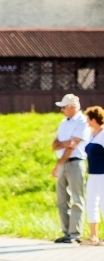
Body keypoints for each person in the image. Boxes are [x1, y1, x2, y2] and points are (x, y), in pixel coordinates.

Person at [52, 94, 90, 243]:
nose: (62, 110)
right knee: (62, 199)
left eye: (64, 107)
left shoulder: (82, 122)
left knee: (76, 199)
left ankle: (75, 234)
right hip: (62, 162)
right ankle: (66, 232)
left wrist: (59, 163)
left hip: (75, 162)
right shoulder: (63, 123)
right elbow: (55, 144)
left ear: (72, 107)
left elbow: (72, 146)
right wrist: (64, 143)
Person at [82, 106, 104, 245]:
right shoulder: (91, 135)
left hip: (103, 174)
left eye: (88, 119)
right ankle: (93, 235)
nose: (87, 122)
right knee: (91, 203)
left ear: (93, 119)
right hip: (93, 174)